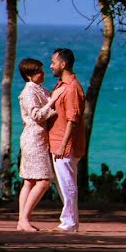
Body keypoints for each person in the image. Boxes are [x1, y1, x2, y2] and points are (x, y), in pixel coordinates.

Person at [16, 58, 65, 232]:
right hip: (33, 139)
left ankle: (23, 220)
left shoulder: (39, 89)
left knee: (29, 181)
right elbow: (37, 115)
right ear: (29, 75)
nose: (43, 74)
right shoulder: (29, 91)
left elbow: (53, 97)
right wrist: (52, 102)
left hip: (38, 138)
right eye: (39, 72)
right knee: (43, 181)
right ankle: (24, 219)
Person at [48, 47, 86, 232]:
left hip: (65, 143)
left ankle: (69, 223)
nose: (50, 66)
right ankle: (68, 220)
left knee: (67, 183)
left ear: (63, 64)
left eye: (53, 62)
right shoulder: (61, 86)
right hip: (57, 141)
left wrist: (64, 143)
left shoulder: (72, 88)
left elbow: (73, 118)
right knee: (63, 184)